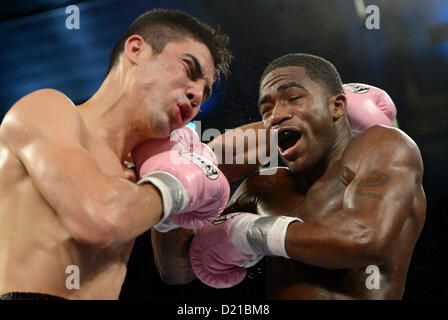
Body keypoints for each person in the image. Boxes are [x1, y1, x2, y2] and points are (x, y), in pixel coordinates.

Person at [0, 8, 237, 300]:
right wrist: (178, 185)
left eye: (206, 91)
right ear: (136, 50)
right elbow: (101, 220)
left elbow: (177, 273)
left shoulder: (145, 173)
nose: (196, 94)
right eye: (189, 70)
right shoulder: (47, 110)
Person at [189, 53, 426, 299]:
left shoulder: (383, 147)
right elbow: (178, 269)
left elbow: (365, 239)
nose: (276, 115)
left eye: (293, 98)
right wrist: (182, 184)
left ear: (337, 106)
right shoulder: (262, 188)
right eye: (266, 109)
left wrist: (249, 233)